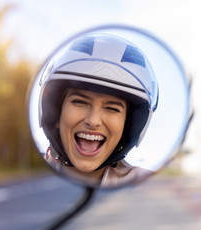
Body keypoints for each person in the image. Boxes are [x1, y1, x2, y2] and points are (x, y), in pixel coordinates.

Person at [38, 33, 158, 188]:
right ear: (55, 113)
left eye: (112, 108)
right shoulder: (27, 182)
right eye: (80, 102)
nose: (93, 121)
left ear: (128, 126)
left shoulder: (147, 187)